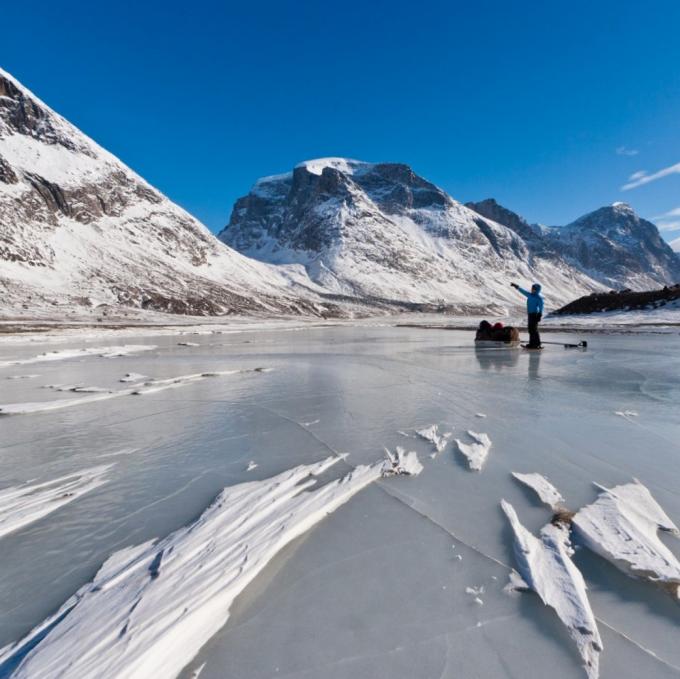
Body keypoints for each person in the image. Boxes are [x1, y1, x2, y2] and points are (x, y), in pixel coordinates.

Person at [511, 282, 544, 348]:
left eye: (534, 289)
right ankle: (532, 343)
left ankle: (537, 344)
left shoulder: (539, 298)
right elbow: (523, 291)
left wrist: (539, 314)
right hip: (530, 314)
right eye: (532, 288)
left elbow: (541, 307)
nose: (532, 290)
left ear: (537, 290)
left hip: (534, 315)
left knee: (533, 329)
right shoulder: (530, 295)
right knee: (530, 329)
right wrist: (517, 287)